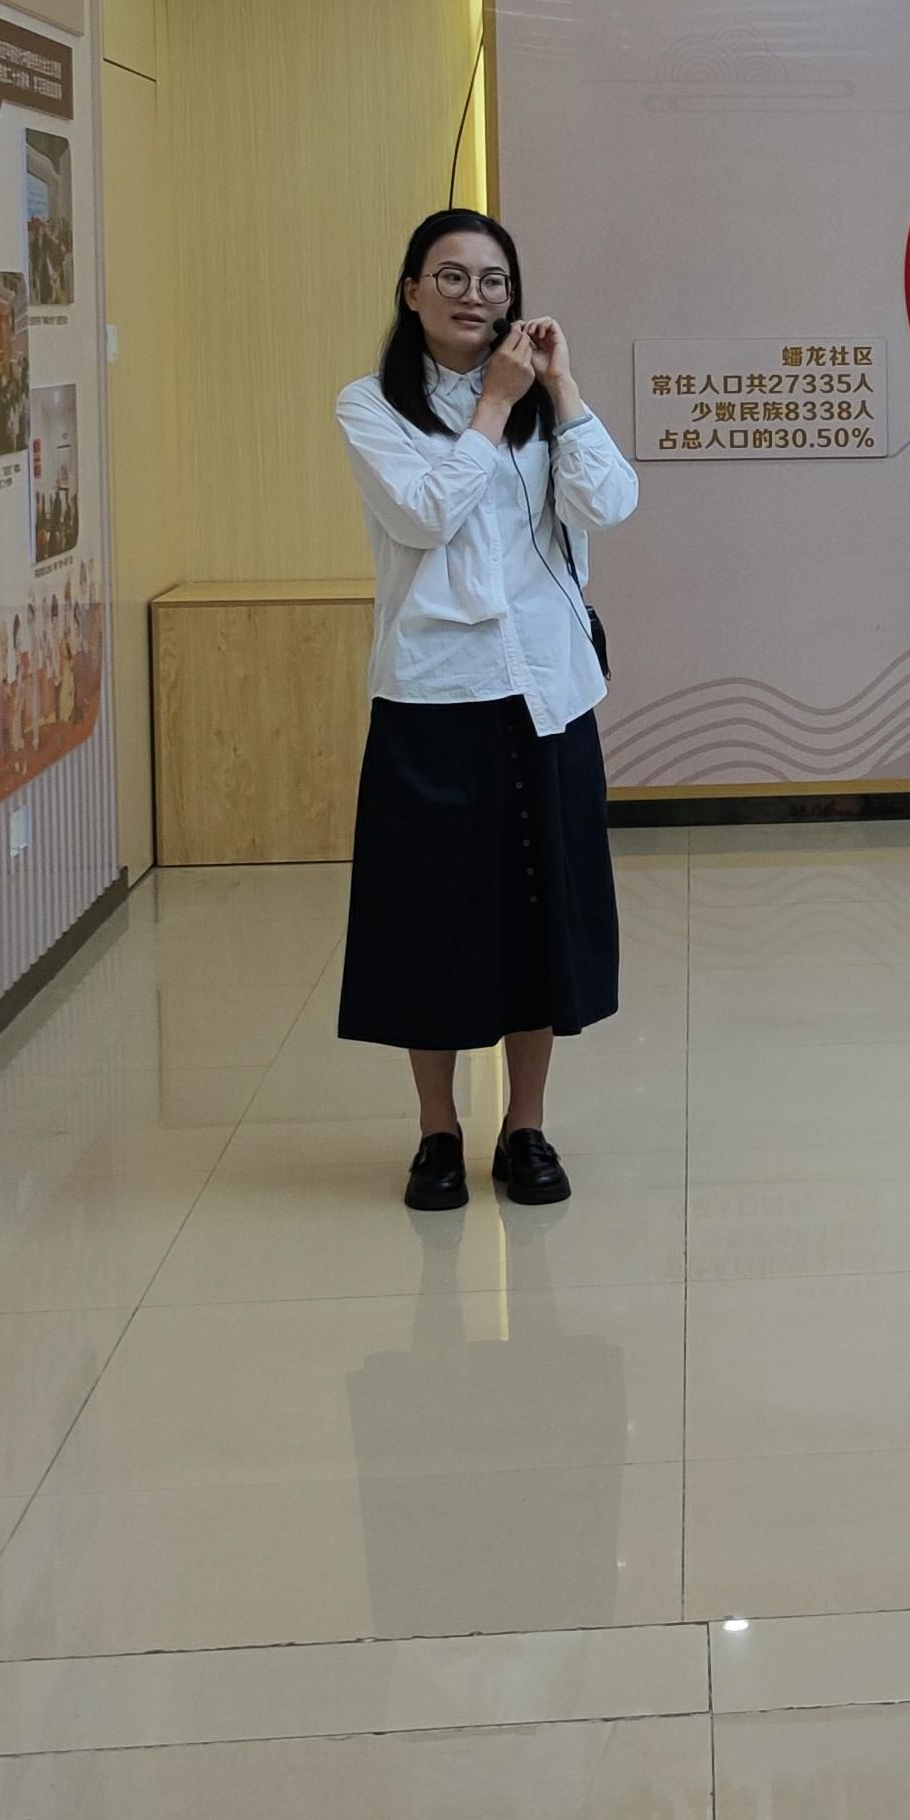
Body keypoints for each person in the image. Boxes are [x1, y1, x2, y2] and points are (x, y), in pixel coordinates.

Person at [333, 206, 639, 1211]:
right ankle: (436, 1131)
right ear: (411, 291)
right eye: (452, 276)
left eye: (494, 279)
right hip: (435, 693)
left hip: (547, 690)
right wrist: (493, 408)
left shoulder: (543, 400)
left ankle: (525, 1127)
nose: (475, 296)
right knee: (433, 918)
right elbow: (423, 514)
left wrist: (563, 389)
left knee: (540, 915)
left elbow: (611, 504)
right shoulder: (370, 406)